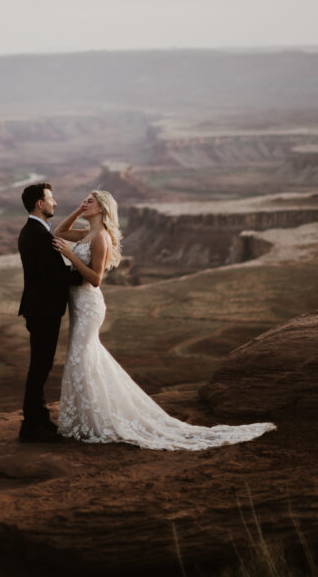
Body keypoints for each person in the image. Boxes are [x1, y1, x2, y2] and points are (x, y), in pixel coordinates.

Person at [52, 190, 276, 450]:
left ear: (102, 208)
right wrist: (78, 212)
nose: (84, 203)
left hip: (89, 304)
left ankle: (95, 420)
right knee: (83, 357)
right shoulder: (87, 233)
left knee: (81, 356)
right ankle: (87, 417)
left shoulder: (100, 237)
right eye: (84, 201)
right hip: (78, 305)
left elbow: (96, 278)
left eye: (89, 201)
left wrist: (69, 255)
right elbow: (59, 232)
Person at [17, 181, 84, 443]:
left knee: (41, 365)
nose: (55, 203)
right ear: (39, 203)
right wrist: (84, 274)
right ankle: (32, 425)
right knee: (40, 367)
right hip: (43, 310)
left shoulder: (35, 231)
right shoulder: (37, 234)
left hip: (39, 309)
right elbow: (51, 276)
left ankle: (38, 419)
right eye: (51, 199)